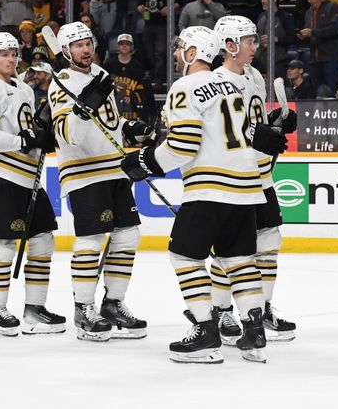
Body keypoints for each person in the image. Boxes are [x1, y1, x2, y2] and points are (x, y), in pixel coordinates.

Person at [119, 25, 288, 363]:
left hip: (210, 186)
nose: (177, 51)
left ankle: (206, 331)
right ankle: (254, 329)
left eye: (182, 46)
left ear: (194, 52)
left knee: (184, 255)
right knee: (239, 259)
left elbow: (183, 145)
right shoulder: (233, 84)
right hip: (248, 186)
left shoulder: (184, 86)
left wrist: (146, 161)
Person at [47, 21, 153, 342]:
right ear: (66, 51)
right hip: (83, 172)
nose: (85, 49)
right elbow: (69, 136)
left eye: (87, 43)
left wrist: (129, 128)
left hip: (114, 167)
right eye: (77, 45)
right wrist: (81, 109)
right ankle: (84, 308)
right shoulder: (60, 84)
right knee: (91, 241)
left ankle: (113, 303)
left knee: (127, 236)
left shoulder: (102, 77)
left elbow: (108, 122)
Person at [0, 32, 64, 336]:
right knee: (5, 242)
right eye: (4, 54)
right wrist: (24, 140)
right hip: (0, 174)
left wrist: (41, 134)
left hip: (26, 175)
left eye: (13, 53)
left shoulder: (24, 88)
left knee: (44, 239)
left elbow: (26, 130)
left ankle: (35, 308)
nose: (11, 58)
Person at [210, 15, 298, 345]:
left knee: (270, 243)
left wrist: (277, 123)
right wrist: (258, 134)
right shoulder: (216, 80)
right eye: (247, 40)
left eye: (253, 40)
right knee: (230, 250)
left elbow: (255, 121)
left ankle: (261, 308)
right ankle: (221, 310)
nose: (254, 46)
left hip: (263, 176)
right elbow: (226, 131)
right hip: (234, 177)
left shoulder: (255, 75)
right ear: (229, 46)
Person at [299, 0, 338, 97]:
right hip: (314, 59)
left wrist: (312, 32)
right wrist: (303, 37)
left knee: (332, 90)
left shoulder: (332, 7)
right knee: (315, 92)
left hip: (331, 57)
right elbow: (308, 35)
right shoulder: (308, 13)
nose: (309, 1)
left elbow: (335, 29)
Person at [137, 0, 176, 86]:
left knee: (159, 52)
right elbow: (139, 5)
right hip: (148, 23)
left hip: (162, 25)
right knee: (149, 52)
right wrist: (140, 8)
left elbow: (179, 1)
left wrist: (169, 8)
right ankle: (155, 74)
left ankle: (159, 79)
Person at [103, 33, 156, 123]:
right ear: (118, 46)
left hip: (133, 112)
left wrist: (132, 98)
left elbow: (143, 91)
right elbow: (103, 86)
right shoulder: (109, 64)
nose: (124, 46)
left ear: (132, 47)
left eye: (127, 44)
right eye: (122, 44)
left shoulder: (138, 66)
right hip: (112, 110)